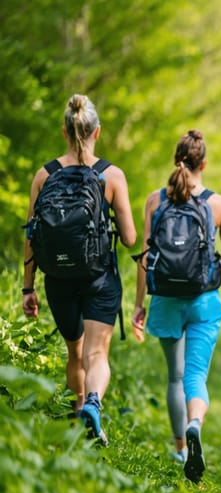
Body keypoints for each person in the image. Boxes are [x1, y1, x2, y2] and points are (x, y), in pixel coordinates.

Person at [22, 94, 137, 446]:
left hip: (57, 279)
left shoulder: (45, 175)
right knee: (97, 353)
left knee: (75, 352)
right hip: (99, 276)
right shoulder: (111, 175)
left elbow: (31, 234)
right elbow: (131, 239)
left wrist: (28, 288)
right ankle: (94, 403)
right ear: (96, 132)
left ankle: (77, 419)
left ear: (64, 131)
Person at [132, 130, 221, 482]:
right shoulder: (218, 204)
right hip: (204, 302)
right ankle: (196, 422)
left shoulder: (154, 200)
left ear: (176, 160)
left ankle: (180, 447)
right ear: (203, 163)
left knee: (175, 377)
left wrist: (138, 305)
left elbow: (146, 259)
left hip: (164, 299)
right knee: (195, 376)